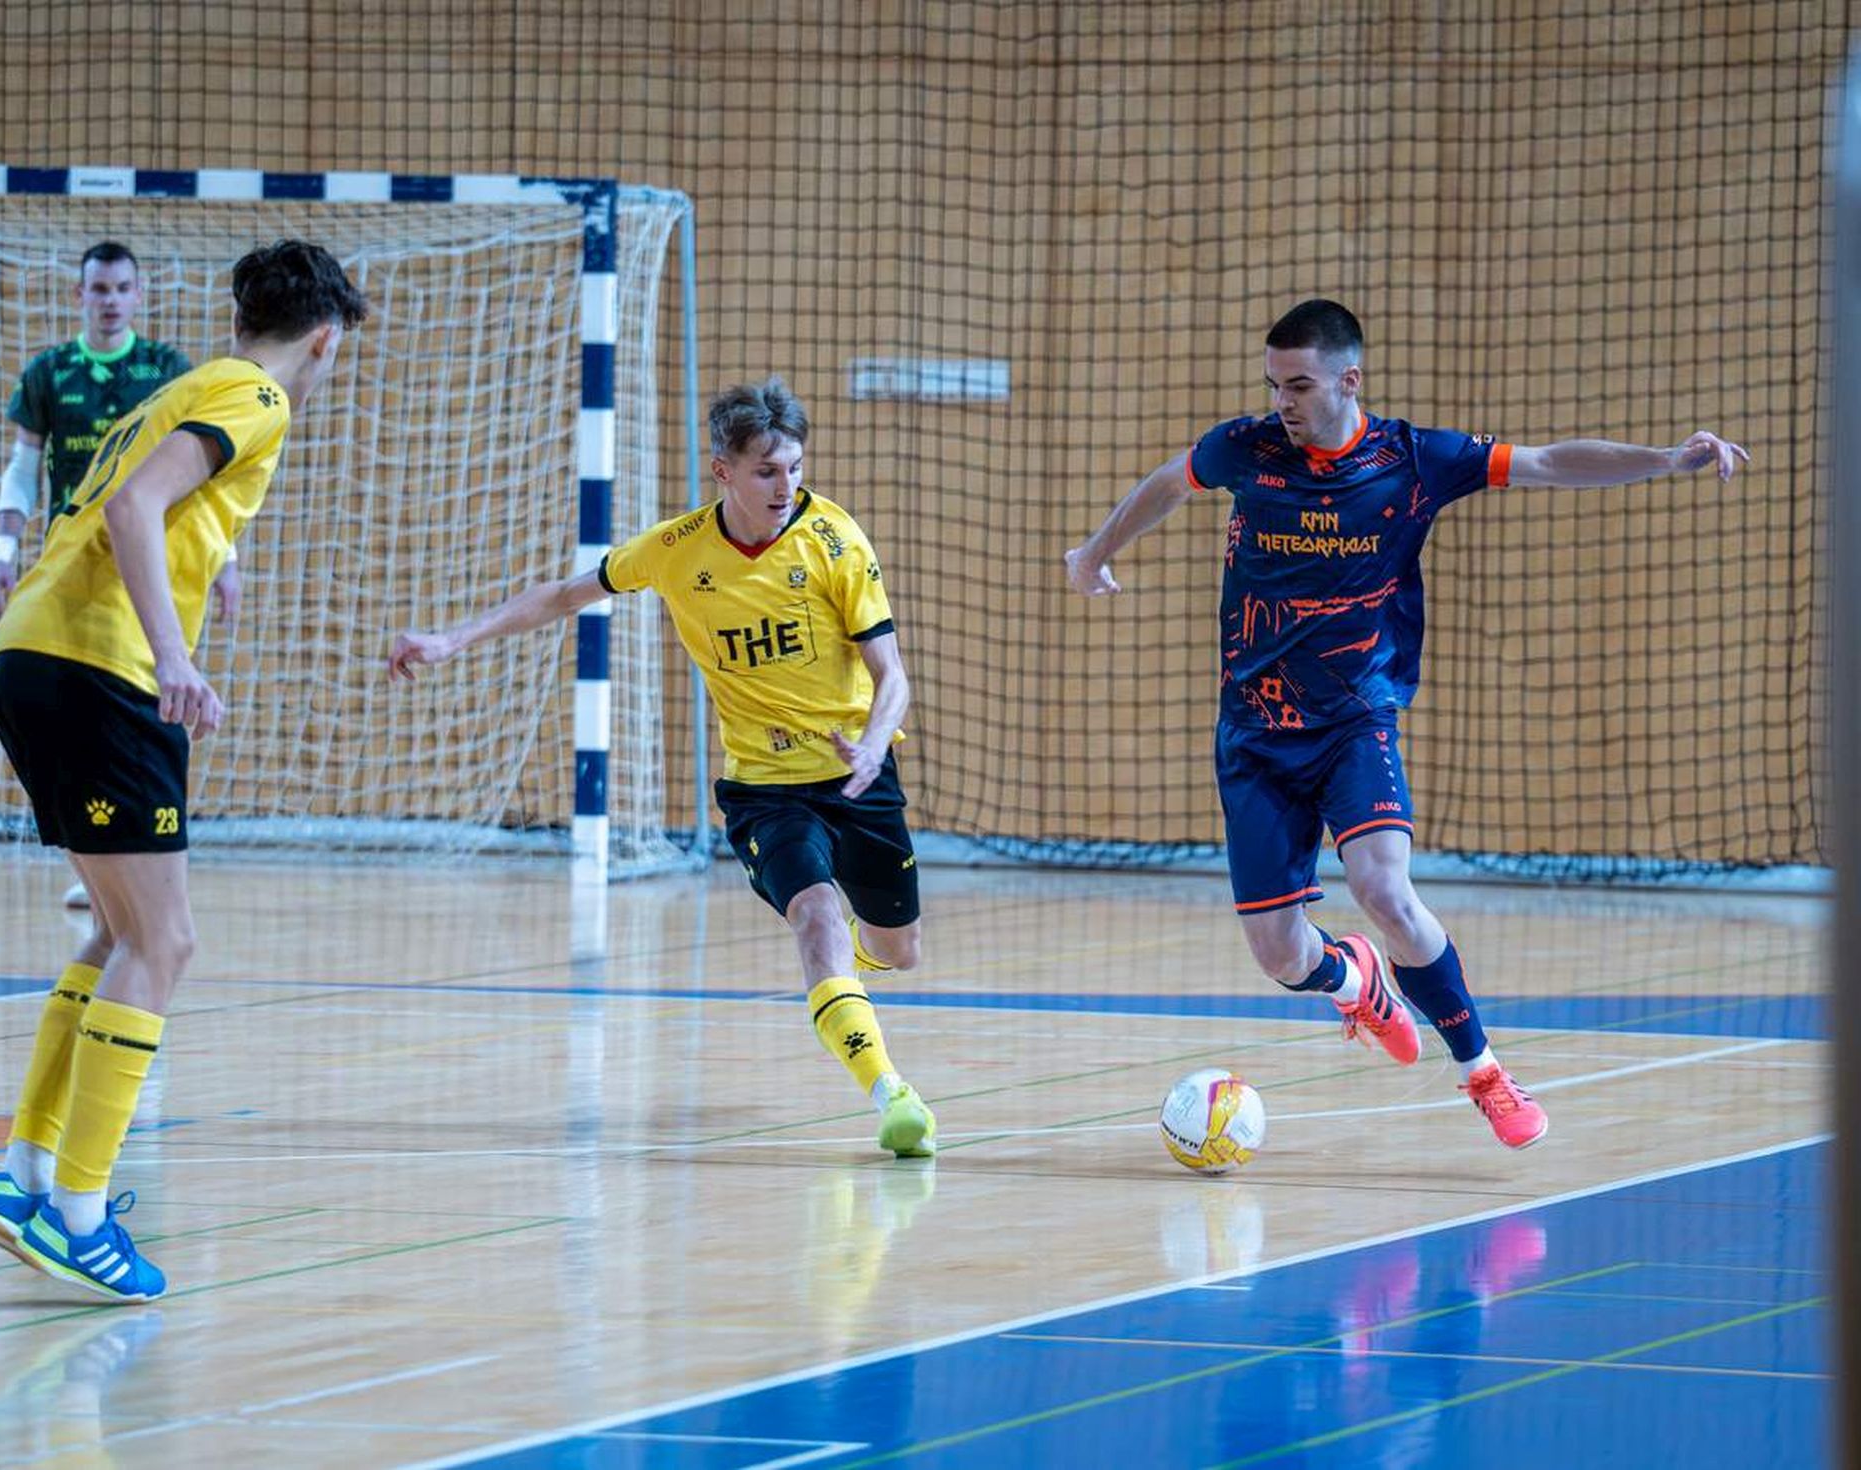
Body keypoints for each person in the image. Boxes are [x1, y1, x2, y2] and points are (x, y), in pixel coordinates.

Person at [1064, 299, 1748, 1149]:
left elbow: (1545, 462)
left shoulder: (1415, 460)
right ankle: (1356, 984)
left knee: (1385, 887)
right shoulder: (1247, 449)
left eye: (1299, 385)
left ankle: (1484, 1071)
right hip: (1254, 732)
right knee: (1279, 955)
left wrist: (1665, 460)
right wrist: (1096, 551)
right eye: (1274, 384)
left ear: (1349, 380)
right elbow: (1171, 481)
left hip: (1356, 720)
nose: (1282, 401)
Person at [389, 377, 938, 1159]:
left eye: (793, 468)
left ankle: (854, 959)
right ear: (722, 471)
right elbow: (564, 595)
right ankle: (893, 1096)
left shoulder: (835, 541)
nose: (784, 486)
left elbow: (892, 675)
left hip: (859, 776)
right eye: (765, 471)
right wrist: (451, 640)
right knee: (814, 915)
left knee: (897, 951)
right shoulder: (677, 551)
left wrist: (876, 741)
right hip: (765, 790)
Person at [0, 240, 370, 1300]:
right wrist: (175, 657)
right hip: (97, 665)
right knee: (165, 940)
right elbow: (133, 506)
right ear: (324, 341)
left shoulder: (185, 384)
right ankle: (80, 1213)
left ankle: (25, 1177)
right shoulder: (256, 398)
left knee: (118, 934)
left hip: (30, 652)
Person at [0, 242, 211, 909]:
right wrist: (1, 552)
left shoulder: (166, 370)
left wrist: (224, 562)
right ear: (78, 295)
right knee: (80, 715)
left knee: (157, 702)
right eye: (99, 289)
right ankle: (97, 862)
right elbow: (24, 469)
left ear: (139, 295)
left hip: (151, 567)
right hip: (74, 571)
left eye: (121, 288)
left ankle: (145, 857)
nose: (110, 300)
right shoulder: (50, 372)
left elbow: (201, 475)